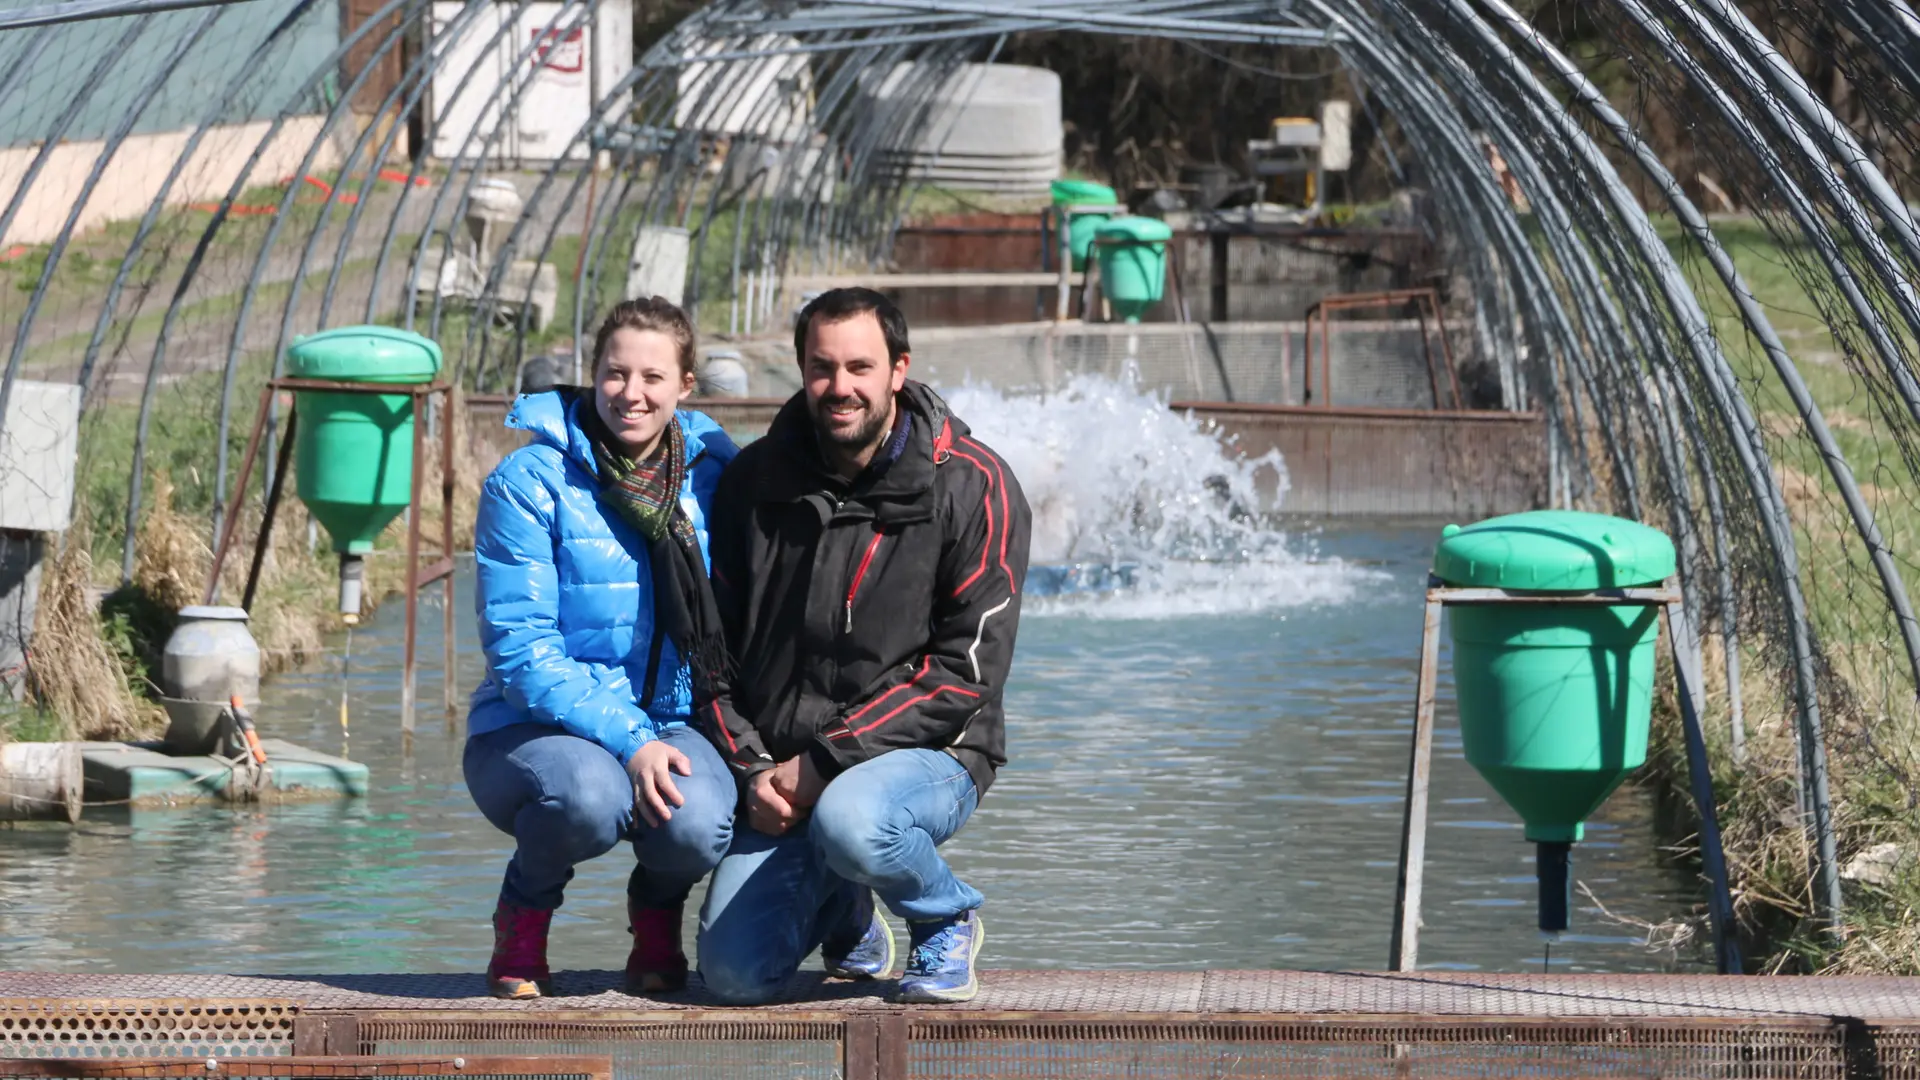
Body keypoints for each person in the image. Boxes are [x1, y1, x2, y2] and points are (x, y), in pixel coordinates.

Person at [696, 287, 1031, 1005]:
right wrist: (753, 768)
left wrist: (824, 762)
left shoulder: (974, 485)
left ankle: (943, 916)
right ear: (801, 370)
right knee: (733, 976)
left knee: (854, 821)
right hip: (786, 768)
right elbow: (712, 653)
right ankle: (845, 908)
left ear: (898, 370)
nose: (840, 386)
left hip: (933, 754)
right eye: (822, 368)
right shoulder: (754, 483)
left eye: (860, 367)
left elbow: (966, 669)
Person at [464, 297, 739, 999]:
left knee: (700, 822)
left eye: (653, 377)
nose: (631, 393)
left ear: (686, 386)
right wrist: (631, 739)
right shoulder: (529, 482)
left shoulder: (714, 480)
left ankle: (656, 912)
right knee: (589, 798)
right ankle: (523, 913)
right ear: (592, 375)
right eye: (616, 373)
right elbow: (521, 653)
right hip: (530, 727)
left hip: (675, 716)